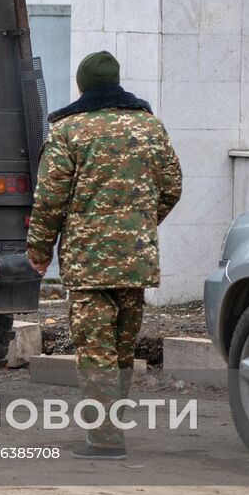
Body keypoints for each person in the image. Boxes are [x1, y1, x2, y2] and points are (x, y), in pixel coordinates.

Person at [25, 50, 182, 460]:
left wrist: (40, 251)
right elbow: (172, 188)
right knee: (122, 350)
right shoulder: (150, 127)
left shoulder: (69, 131)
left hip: (88, 263)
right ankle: (112, 426)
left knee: (96, 352)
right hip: (136, 260)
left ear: (82, 86)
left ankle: (105, 438)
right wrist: (138, 226)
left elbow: (49, 200)